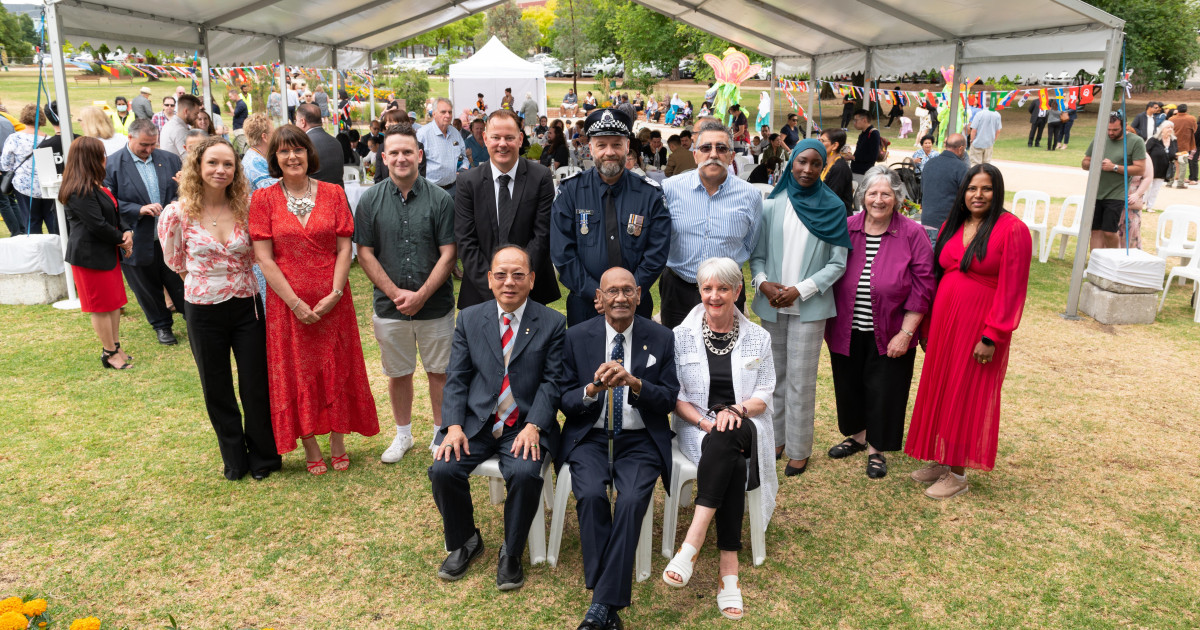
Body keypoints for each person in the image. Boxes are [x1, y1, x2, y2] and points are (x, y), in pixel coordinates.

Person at [429, 245, 566, 589]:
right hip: (476, 422)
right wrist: (454, 426)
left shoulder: (552, 323)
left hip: (524, 423)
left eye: (518, 275)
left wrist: (535, 425)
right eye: (501, 275)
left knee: (525, 472)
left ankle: (511, 551)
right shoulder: (470, 318)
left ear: (531, 280)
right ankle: (466, 540)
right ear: (489, 279)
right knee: (443, 469)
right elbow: (457, 377)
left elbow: (552, 383)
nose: (509, 282)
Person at [250, 124, 379, 474]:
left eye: (299, 149)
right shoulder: (263, 199)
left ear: (309, 153)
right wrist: (294, 302)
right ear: (274, 157)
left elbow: (344, 248)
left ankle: (338, 440)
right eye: (284, 151)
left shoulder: (334, 193)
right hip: (286, 303)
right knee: (296, 369)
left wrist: (335, 293)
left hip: (333, 300)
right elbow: (264, 258)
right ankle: (309, 443)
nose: (292, 156)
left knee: (337, 364)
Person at [559, 266, 679, 630]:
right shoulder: (576, 337)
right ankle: (608, 604)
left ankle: (600, 604)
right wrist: (591, 390)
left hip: (640, 439)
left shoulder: (661, 337)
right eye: (612, 291)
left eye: (628, 290)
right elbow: (564, 399)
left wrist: (636, 384)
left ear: (640, 295)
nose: (621, 298)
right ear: (599, 299)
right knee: (591, 495)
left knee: (630, 501)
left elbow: (669, 399)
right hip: (590, 437)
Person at [158, 136, 280, 481]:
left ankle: (263, 457)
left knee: (255, 383)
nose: (220, 170)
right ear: (198, 166)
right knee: (216, 386)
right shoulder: (177, 214)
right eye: (212, 162)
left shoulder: (247, 208)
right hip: (202, 308)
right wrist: (206, 283)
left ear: (236, 170)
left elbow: (260, 254)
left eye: (228, 164)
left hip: (246, 305)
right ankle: (234, 459)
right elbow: (175, 261)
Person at [905, 163, 1031, 499]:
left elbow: (1013, 289)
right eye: (972, 188)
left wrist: (993, 335)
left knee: (967, 392)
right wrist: (927, 325)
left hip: (980, 326)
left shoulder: (1012, 229)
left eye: (986, 188)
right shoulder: (954, 223)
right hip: (945, 322)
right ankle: (942, 459)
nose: (978, 195)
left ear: (997, 191)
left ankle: (959, 474)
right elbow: (937, 276)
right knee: (943, 387)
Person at [663, 256, 777, 622]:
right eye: (708, 288)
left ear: (738, 291)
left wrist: (736, 411)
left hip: (747, 422)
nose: (714, 296)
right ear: (699, 291)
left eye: (723, 288)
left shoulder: (758, 337)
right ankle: (729, 568)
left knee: (728, 434)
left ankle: (692, 542)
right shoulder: (680, 336)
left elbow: (764, 392)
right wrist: (705, 422)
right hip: (697, 426)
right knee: (728, 454)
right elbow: (676, 396)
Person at [353, 123, 457, 463]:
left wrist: (422, 294)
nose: (401, 158)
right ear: (384, 157)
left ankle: (441, 433)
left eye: (407, 152)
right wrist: (395, 292)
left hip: (435, 305)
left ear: (420, 155)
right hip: (390, 306)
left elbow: (449, 253)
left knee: (439, 372)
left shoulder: (441, 199)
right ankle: (403, 435)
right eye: (394, 152)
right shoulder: (370, 200)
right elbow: (364, 252)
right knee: (398, 373)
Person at [824, 166, 934, 478]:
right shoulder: (846, 228)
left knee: (885, 390)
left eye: (886, 193)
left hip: (891, 330)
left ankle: (877, 448)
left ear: (897, 198)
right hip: (845, 327)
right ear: (863, 196)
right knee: (849, 384)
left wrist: (906, 332)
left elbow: (924, 285)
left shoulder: (912, 233)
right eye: (873, 193)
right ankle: (858, 436)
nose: (879, 199)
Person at [749, 139, 849, 477]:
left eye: (815, 163)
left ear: (823, 167)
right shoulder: (772, 205)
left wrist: (800, 290)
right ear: (791, 163)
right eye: (801, 161)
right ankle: (776, 439)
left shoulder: (834, 207)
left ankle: (799, 448)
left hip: (810, 306)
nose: (807, 169)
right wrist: (763, 282)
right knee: (773, 377)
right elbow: (757, 256)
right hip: (772, 304)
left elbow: (837, 264)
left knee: (801, 382)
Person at [550, 108, 672, 325]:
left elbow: (657, 251)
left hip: (635, 305)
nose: (609, 152)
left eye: (616, 144)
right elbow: (562, 252)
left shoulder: (650, 194)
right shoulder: (570, 192)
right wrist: (595, 293)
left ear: (627, 146)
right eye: (601, 145)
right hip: (585, 305)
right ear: (590, 148)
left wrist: (629, 293)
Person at [660, 120, 762, 330]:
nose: (713, 154)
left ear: (731, 156)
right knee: (675, 346)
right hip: (679, 288)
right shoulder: (669, 189)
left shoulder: (751, 195)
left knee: (727, 348)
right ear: (695, 154)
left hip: (727, 291)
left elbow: (750, 243)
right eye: (706, 148)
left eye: (721, 148)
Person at [455, 109, 558, 311]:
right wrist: (495, 288)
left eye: (509, 137)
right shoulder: (468, 182)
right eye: (496, 137)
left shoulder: (540, 177)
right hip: (481, 293)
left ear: (520, 139)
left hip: (530, 291)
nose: (502, 144)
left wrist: (519, 283)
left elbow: (542, 235)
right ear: (485, 139)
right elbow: (466, 241)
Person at [105, 118, 185, 345]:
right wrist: (137, 209)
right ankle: (162, 326)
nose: (149, 150)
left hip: (170, 237)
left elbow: (184, 190)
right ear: (130, 138)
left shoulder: (169, 159)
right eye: (144, 145)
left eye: (153, 144)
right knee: (146, 286)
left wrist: (177, 201)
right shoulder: (113, 164)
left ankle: (192, 316)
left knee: (179, 281)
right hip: (137, 237)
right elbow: (108, 202)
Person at [60, 136, 134, 370]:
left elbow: (114, 213)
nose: (105, 158)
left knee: (114, 303)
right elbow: (97, 225)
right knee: (101, 307)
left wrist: (126, 232)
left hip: (106, 253)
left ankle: (116, 346)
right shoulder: (78, 190)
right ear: (90, 158)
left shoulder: (95, 184)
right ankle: (109, 352)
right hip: (90, 257)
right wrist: (122, 240)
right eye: (101, 154)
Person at [1082, 113, 1146, 249]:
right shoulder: (1100, 138)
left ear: (1125, 126)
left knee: (1109, 232)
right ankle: (1095, 261)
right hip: (1096, 192)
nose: (1111, 133)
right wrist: (1095, 163)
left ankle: (1113, 259)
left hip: (1116, 193)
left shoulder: (1136, 141)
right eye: (1108, 129)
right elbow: (1085, 163)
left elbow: (1140, 169)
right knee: (1095, 231)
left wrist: (1114, 167)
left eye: (1115, 130)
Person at [0, 104, 55, 234]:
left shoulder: (14, 139)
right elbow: (48, 167)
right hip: (46, 186)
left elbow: (5, 164)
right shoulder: (48, 139)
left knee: (31, 223)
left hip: (23, 187)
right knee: (51, 221)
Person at [919, 133, 969, 240]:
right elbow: (966, 197)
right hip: (946, 225)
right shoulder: (960, 167)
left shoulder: (929, 164)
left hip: (926, 222)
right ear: (961, 148)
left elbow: (923, 190)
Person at [418, 98, 468, 198]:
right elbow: (415, 165)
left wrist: (463, 168)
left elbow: (463, 156)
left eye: (450, 112)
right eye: (443, 112)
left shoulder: (455, 133)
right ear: (434, 114)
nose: (448, 115)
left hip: (454, 189)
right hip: (430, 191)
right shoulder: (422, 135)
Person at [293, 103, 343, 186]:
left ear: (303, 122)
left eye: (296, 121)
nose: (295, 124)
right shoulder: (336, 142)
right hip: (338, 192)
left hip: (314, 192)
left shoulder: (304, 144)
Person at [818, 128, 853, 215]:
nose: (819, 143)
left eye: (822, 141)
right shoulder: (827, 164)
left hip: (837, 216)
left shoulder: (839, 168)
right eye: (819, 140)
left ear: (834, 145)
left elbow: (831, 199)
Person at [1144, 121, 1176, 210]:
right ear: (1162, 129)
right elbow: (1145, 152)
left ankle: (1149, 206)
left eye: (1171, 128)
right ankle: (1141, 202)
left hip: (1163, 169)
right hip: (1151, 168)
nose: (1170, 129)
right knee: (1147, 186)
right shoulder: (1153, 140)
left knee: (1156, 189)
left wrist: (1177, 156)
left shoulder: (1173, 141)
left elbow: (1174, 153)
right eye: (1168, 127)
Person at [241, 114, 277, 191]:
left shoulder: (254, 154)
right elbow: (274, 191)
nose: (276, 137)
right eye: (273, 134)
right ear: (265, 137)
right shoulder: (256, 161)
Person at [1168, 104, 1197, 185]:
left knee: (1173, 162)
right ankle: (1181, 181)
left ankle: (1170, 181)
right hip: (1185, 143)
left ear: (1178, 110)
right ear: (1186, 110)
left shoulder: (1171, 119)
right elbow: (1195, 130)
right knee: (1183, 162)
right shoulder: (1191, 118)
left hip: (1173, 143)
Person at [850, 109, 880, 181]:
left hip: (863, 173)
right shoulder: (863, 134)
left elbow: (873, 156)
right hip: (856, 170)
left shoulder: (873, 133)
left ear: (864, 120)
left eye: (856, 120)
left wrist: (854, 158)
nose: (854, 123)